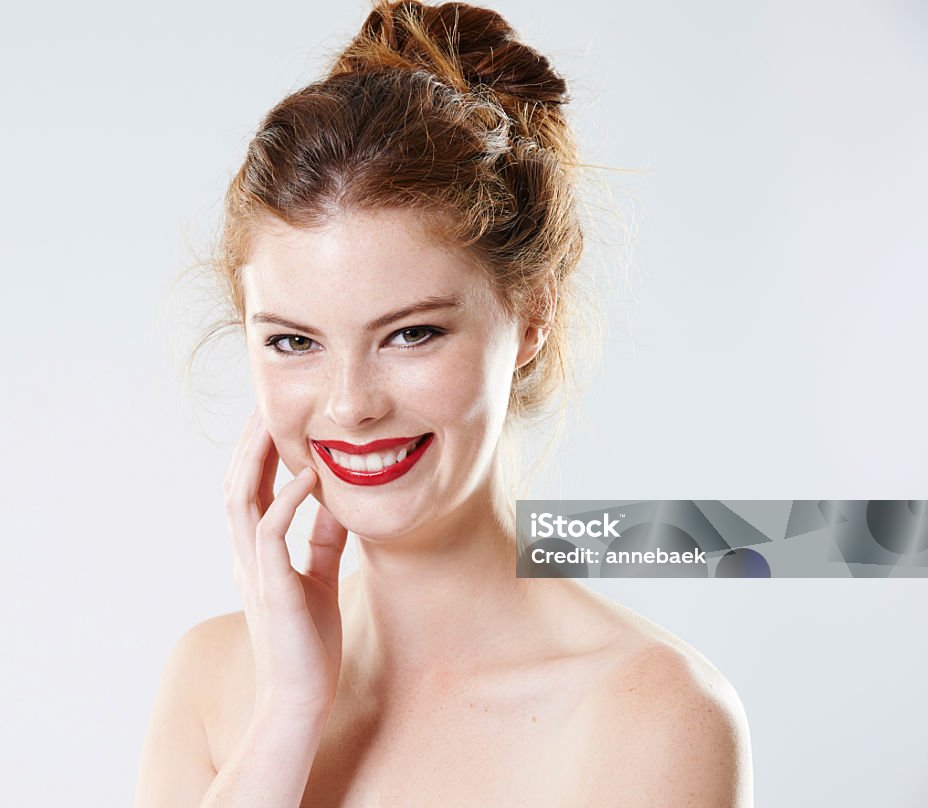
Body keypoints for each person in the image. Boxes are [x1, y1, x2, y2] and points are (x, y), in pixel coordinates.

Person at [134, 2, 754, 805]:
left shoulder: (650, 713)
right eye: (294, 342)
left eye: (412, 334)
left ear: (532, 316)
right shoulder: (213, 682)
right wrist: (288, 714)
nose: (351, 405)